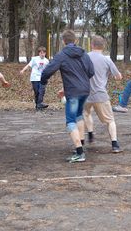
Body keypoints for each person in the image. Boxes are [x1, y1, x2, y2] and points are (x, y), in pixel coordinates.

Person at [41, 29, 95, 163]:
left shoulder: (62, 55)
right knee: (78, 115)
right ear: (75, 40)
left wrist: (43, 81)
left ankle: (79, 152)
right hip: (85, 90)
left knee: (70, 121)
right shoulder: (84, 54)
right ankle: (80, 144)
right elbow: (91, 71)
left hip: (74, 92)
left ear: (63, 41)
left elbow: (48, 70)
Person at [83, 35, 123, 153]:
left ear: (92, 45)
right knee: (110, 120)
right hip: (100, 94)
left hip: (85, 93)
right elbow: (118, 76)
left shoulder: (85, 57)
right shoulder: (107, 60)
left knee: (86, 113)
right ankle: (114, 144)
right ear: (103, 47)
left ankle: (90, 133)